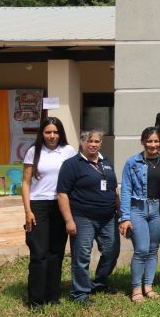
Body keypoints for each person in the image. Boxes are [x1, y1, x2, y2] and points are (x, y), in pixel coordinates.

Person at [56, 129, 120, 306]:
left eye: (97, 141)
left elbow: (113, 189)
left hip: (108, 217)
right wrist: (69, 220)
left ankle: (99, 283)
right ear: (82, 143)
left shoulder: (105, 162)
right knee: (82, 255)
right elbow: (62, 193)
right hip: (82, 217)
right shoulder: (71, 164)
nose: (93, 144)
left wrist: (120, 212)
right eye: (89, 141)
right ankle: (80, 293)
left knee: (111, 251)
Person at [21, 116, 77, 309]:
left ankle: (53, 295)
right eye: (48, 132)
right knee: (39, 252)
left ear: (60, 133)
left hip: (60, 205)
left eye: (55, 132)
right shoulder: (33, 151)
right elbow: (26, 183)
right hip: (38, 205)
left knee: (56, 252)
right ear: (42, 134)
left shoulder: (68, 151)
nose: (52, 136)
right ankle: (36, 299)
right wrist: (28, 211)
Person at [119, 127, 160, 303]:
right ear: (143, 142)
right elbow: (125, 190)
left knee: (153, 250)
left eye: (156, 141)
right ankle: (136, 288)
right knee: (141, 250)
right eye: (149, 141)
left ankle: (149, 286)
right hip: (137, 208)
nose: (153, 145)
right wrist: (125, 217)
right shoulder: (132, 162)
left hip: (158, 209)